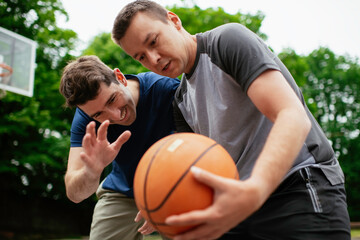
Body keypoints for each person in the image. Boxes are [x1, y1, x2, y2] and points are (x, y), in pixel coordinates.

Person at [111, 1, 351, 239]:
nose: (153, 59)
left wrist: (256, 188)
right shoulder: (180, 101)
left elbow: (292, 115)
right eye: (141, 56)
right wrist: (160, 197)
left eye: (153, 41)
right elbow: (196, 167)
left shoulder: (227, 41)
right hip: (241, 202)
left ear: (174, 21)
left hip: (298, 183)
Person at [59, 55, 180, 239]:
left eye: (112, 99)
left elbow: (204, 146)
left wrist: (164, 197)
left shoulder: (166, 89)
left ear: (120, 78)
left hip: (176, 182)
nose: (115, 115)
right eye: (99, 113)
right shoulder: (86, 119)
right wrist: (92, 171)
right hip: (124, 190)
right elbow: (74, 194)